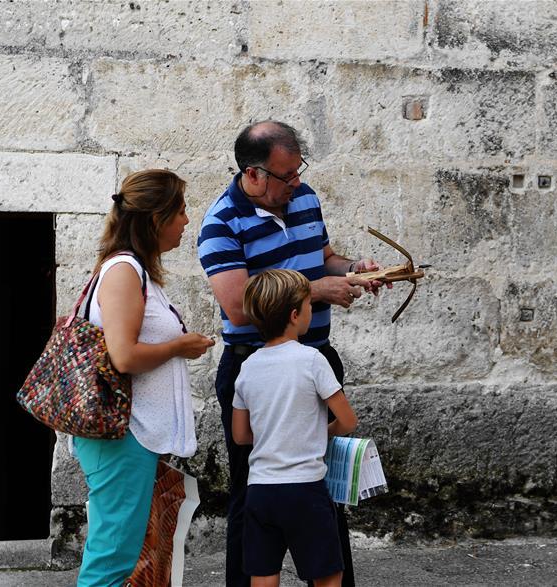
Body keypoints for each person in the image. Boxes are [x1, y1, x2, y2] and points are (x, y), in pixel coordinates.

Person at [198, 120, 387, 586]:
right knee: (251, 488)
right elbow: (239, 307)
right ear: (253, 174)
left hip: (317, 357)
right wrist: (316, 289)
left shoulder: (304, 198)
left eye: (299, 170)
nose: (297, 183)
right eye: (287, 176)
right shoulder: (220, 222)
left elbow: (323, 256)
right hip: (254, 365)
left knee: (326, 484)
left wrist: (352, 269)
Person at [74, 169, 215, 587]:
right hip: (122, 436)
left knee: (127, 555)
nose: (187, 222)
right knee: (112, 560)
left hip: (133, 437)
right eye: (182, 211)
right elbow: (123, 356)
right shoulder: (123, 271)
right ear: (156, 218)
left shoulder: (135, 271)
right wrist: (179, 347)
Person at [231, 269, 358, 587]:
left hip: (260, 491)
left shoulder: (247, 367)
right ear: (294, 315)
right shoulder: (313, 360)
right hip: (305, 490)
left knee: (263, 574)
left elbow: (240, 435)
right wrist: (322, 432)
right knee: (328, 575)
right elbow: (347, 420)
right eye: (308, 307)